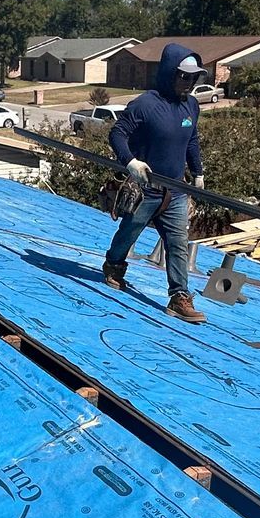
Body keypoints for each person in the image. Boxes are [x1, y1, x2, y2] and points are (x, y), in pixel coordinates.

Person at [102, 43, 208, 323]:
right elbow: (117, 134)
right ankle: (113, 265)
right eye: (183, 76)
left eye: (193, 77)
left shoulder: (191, 106)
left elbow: (192, 140)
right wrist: (130, 162)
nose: (188, 82)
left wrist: (197, 172)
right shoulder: (146, 104)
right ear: (169, 73)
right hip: (144, 188)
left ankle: (179, 296)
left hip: (174, 190)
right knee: (129, 232)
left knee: (178, 243)